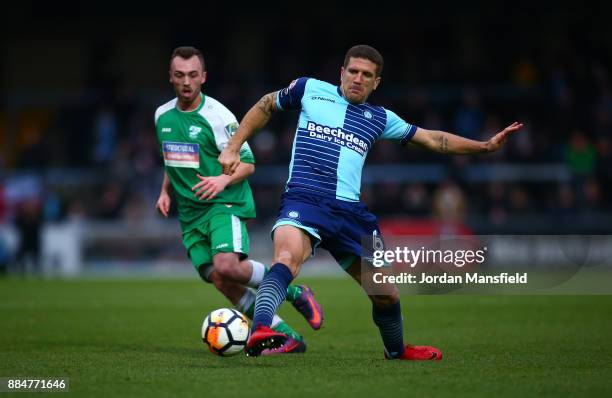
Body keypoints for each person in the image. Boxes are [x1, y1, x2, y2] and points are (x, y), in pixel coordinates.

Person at [219, 44, 523, 359]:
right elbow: (267, 104)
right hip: (305, 198)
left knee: (386, 294)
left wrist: (484, 147)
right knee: (286, 259)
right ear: (342, 72)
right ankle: (262, 329)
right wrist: (233, 146)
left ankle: (396, 351)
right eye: (353, 71)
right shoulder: (309, 89)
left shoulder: (380, 118)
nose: (358, 79)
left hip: (351, 214)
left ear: (376, 82)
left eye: (366, 75)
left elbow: (433, 139)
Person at [154, 46, 323, 354]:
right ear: (171, 77)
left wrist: (222, 179)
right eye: (180, 75)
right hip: (190, 214)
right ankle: (285, 333)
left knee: (228, 266)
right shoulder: (162, 115)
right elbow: (173, 158)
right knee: (219, 278)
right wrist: (165, 191)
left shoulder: (217, 116)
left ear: (203, 77)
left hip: (224, 202)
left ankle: (295, 291)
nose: (187, 82)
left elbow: (248, 163)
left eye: (193, 75)